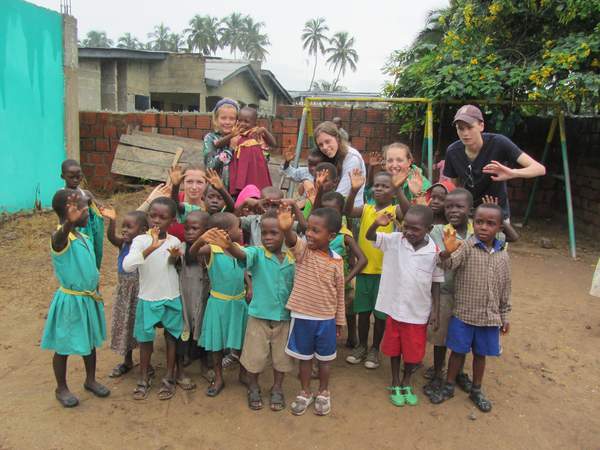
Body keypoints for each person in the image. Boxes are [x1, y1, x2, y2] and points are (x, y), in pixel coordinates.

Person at [206, 209, 296, 411]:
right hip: (258, 317)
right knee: (254, 357)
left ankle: (277, 388)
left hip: (284, 317)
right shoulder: (257, 253)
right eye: (264, 233)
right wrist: (229, 244)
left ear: (284, 234)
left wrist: (289, 228)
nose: (268, 237)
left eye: (274, 233)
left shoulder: (293, 258)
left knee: (281, 358)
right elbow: (241, 253)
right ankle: (253, 386)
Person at [430, 203, 512, 412]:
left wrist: (504, 315)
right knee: (457, 352)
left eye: (490, 223)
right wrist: (446, 253)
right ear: (473, 223)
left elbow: (505, 287)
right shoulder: (466, 246)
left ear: (500, 228)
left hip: (489, 318)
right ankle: (449, 386)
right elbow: (448, 265)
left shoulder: (503, 254)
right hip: (464, 314)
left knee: (481, 355)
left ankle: (476, 389)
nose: (484, 227)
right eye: (479, 222)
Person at [366, 205, 443, 406]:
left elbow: (436, 281)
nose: (409, 232)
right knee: (394, 349)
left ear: (429, 228)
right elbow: (370, 237)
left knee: (412, 352)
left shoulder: (434, 251)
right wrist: (376, 223)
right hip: (396, 309)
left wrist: (435, 310)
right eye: (406, 226)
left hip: (418, 312)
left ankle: (407, 380)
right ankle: (395, 380)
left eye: (415, 229)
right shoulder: (395, 241)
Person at [41, 189, 110, 407]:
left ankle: (90, 379)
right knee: (64, 345)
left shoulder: (84, 236)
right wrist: (69, 224)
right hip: (71, 302)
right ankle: (61, 388)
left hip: (88, 299)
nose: (88, 211)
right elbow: (59, 238)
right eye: (82, 208)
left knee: (89, 342)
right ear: (67, 212)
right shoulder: (61, 238)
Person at [280, 205, 345, 416]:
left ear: (331, 235)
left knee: (325, 360)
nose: (309, 233)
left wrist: (339, 320)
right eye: (308, 228)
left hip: (326, 318)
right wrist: (286, 230)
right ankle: (305, 391)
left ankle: (324, 391)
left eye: (316, 230)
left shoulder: (337, 261)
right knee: (304, 358)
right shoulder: (304, 251)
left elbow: (340, 292)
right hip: (302, 317)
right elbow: (292, 241)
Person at [123, 197, 183, 401]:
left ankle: (169, 377)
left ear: (172, 221)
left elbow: (172, 265)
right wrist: (151, 247)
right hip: (148, 298)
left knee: (171, 338)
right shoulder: (140, 241)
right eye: (153, 216)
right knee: (145, 339)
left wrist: (174, 257)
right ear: (147, 217)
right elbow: (127, 266)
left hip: (171, 296)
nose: (157, 220)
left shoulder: (175, 241)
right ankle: (143, 377)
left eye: (163, 217)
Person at [344, 169, 404, 369]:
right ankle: (362, 345)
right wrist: (353, 190)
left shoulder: (395, 211)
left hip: (386, 274)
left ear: (393, 191)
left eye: (385, 186)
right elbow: (347, 211)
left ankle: (375, 349)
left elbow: (410, 212)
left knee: (380, 315)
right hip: (364, 271)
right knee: (363, 312)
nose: (379, 188)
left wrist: (400, 189)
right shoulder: (367, 209)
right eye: (376, 185)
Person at [444, 104, 546, 218]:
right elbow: (454, 186)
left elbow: (539, 169)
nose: (465, 133)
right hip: (469, 214)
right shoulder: (453, 152)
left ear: (481, 126)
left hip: (497, 212)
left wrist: (512, 173)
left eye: (470, 127)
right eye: (460, 128)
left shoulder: (498, 143)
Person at [190, 212, 248, 397]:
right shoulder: (211, 250)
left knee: (240, 339)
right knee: (217, 343)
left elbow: (244, 268)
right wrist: (201, 240)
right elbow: (192, 253)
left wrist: (250, 285)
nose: (241, 230)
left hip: (238, 302)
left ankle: (243, 373)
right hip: (219, 304)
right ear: (226, 232)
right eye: (238, 227)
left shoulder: (237, 247)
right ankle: (219, 376)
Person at [99, 206, 149, 378]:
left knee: (141, 329)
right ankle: (127, 360)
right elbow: (111, 237)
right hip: (124, 295)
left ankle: (146, 363)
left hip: (141, 294)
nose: (124, 230)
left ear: (143, 231)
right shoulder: (124, 244)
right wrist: (112, 220)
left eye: (129, 227)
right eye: (123, 226)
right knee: (125, 327)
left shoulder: (145, 246)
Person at [170, 210, 213, 390]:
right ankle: (180, 371)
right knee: (183, 333)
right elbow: (176, 261)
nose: (189, 232)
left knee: (204, 332)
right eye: (186, 228)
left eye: (195, 228)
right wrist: (172, 258)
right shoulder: (180, 248)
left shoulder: (211, 248)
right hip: (185, 300)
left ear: (206, 230)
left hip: (204, 299)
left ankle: (205, 364)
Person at [321, 191, 367, 348]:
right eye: (325, 209)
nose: (328, 213)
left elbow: (363, 260)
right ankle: (328, 341)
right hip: (323, 283)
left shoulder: (344, 236)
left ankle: (352, 336)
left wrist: (346, 279)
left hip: (342, 282)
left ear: (341, 212)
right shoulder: (319, 232)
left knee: (349, 309)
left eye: (333, 210)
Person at [60, 159, 104, 269]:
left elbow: (98, 206)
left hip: (90, 230)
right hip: (72, 232)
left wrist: (99, 206)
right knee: (79, 260)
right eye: (71, 177)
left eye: (78, 176)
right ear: (62, 176)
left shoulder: (86, 193)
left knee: (94, 255)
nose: (75, 180)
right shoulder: (61, 195)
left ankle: (94, 282)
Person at [314, 121, 366, 207]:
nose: (325, 147)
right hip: (332, 205)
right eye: (321, 145)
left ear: (337, 138)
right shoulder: (329, 156)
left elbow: (341, 195)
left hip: (351, 210)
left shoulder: (352, 159)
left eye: (328, 141)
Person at [235, 186, 306, 247]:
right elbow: (231, 222)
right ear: (259, 203)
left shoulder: (286, 223)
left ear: (281, 205)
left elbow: (305, 229)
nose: (270, 209)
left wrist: (294, 204)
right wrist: (245, 203)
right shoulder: (253, 220)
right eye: (266, 205)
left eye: (275, 205)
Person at [229, 106, 276, 195]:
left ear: (255, 123)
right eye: (240, 120)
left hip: (255, 168)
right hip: (240, 168)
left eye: (246, 121)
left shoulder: (257, 132)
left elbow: (273, 144)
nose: (242, 124)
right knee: (241, 191)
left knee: (258, 189)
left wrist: (265, 131)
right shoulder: (235, 132)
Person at [365, 143, 432, 205]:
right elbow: (372, 203)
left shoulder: (422, 183)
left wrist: (418, 194)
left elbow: (425, 214)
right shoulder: (384, 181)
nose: (394, 165)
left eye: (399, 160)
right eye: (390, 161)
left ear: (409, 162)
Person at [203, 98, 239, 190]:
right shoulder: (210, 138)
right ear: (216, 119)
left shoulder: (241, 138)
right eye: (223, 118)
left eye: (232, 119)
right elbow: (210, 167)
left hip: (236, 190)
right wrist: (230, 149)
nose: (227, 122)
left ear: (237, 121)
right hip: (215, 192)